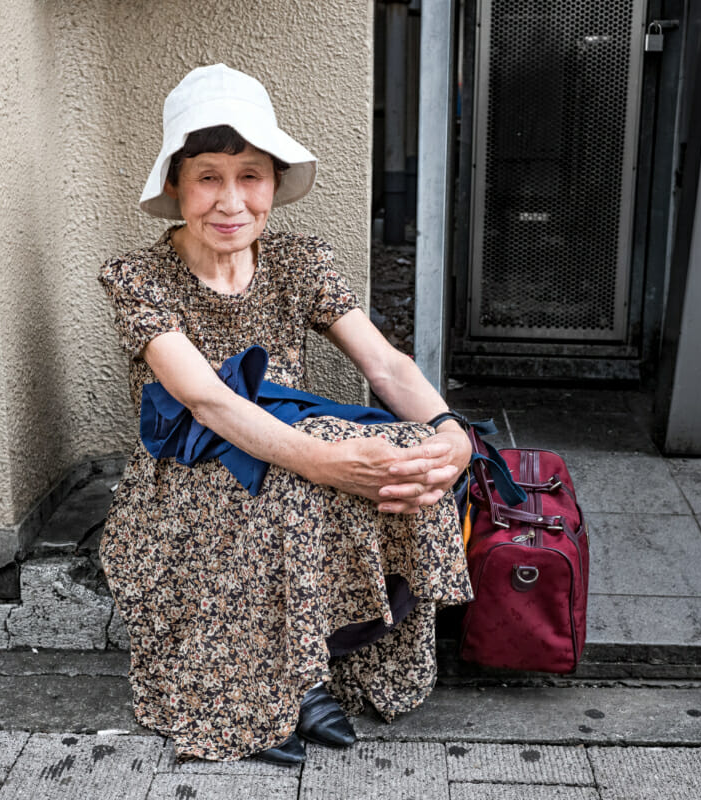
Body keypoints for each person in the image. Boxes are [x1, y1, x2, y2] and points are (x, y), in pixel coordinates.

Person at [97, 64, 474, 764]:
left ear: (272, 183)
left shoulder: (301, 261)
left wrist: (451, 436)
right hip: (183, 473)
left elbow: (384, 365)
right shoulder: (138, 277)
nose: (231, 200)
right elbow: (206, 399)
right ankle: (283, 692)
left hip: (286, 443)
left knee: (402, 456)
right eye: (208, 175)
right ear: (177, 184)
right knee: (293, 479)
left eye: (251, 175)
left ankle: (349, 659)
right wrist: (331, 463)